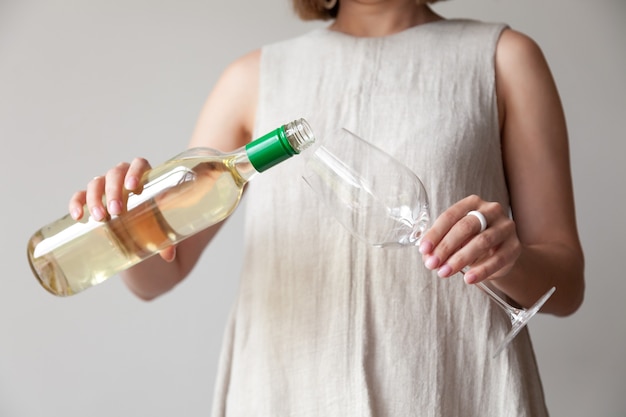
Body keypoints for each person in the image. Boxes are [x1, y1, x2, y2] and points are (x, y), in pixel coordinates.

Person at [69, 0, 585, 415]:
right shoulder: (251, 78)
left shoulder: (504, 57)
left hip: (452, 389)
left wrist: (510, 258)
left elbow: (566, 287)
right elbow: (162, 274)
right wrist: (121, 229)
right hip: (286, 391)